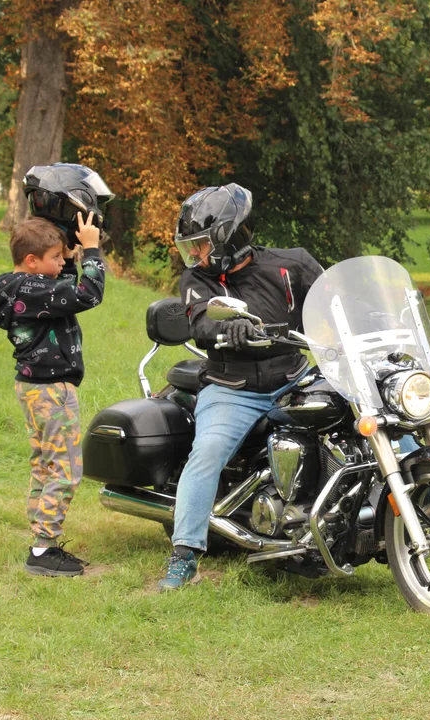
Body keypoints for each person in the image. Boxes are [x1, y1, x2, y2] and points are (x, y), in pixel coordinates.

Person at [160, 184, 324, 591]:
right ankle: (185, 554)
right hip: (232, 388)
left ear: (227, 236)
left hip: (295, 379)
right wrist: (225, 327)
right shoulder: (197, 279)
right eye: (191, 247)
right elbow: (200, 321)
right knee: (208, 451)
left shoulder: (292, 264)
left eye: (199, 245)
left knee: (367, 416)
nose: (195, 255)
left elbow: (333, 299)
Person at [0, 162, 113, 577]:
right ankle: (42, 550)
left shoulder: (22, 287)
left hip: (34, 388)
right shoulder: (35, 290)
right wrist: (90, 250)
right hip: (53, 391)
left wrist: (67, 252)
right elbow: (88, 293)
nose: (63, 263)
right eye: (56, 258)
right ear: (33, 261)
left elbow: (63, 287)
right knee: (67, 469)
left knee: (43, 465)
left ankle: (41, 537)